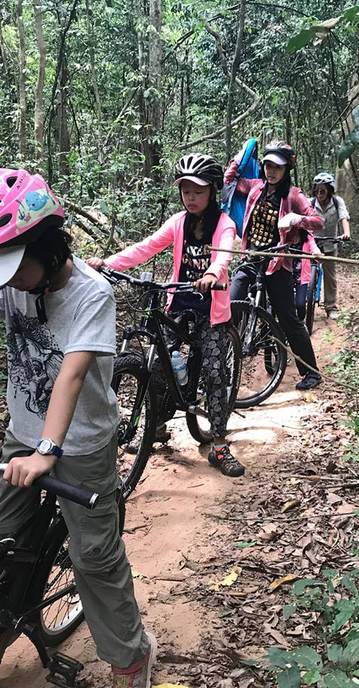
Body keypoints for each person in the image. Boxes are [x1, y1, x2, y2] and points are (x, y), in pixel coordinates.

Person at [0, 168, 155, 687]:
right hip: (22, 429)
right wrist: (33, 442)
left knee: (94, 557)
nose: (11, 282)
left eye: (17, 266)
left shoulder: (92, 294)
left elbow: (70, 374)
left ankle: (131, 656)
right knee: (4, 538)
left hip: (81, 441)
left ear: (50, 248)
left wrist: (48, 449)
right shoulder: (12, 281)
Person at [87, 153, 245, 478]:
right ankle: (156, 425)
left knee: (215, 372)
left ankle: (217, 442)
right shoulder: (177, 222)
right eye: (186, 190)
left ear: (213, 191)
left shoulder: (223, 224)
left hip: (211, 310)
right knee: (158, 362)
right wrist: (109, 263)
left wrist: (214, 273)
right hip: (180, 302)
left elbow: (225, 252)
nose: (191, 197)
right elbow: (146, 247)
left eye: (198, 191)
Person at [225, 141, 324, 391]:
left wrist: (297, 219)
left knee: (288, 318)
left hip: (277, 263)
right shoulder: (256, 188)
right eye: (268, 165)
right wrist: (239, 157)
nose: (271, 171)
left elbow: (317, 221)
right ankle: (221, 365)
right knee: (231, 306)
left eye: (277, 167)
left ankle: (311, 373)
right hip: (251, 259)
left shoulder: (293, 195)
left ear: (286, 169)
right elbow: (231, 179)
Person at [310, 172, 351, 319]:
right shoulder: (310, 203)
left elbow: (343, 217)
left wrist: (346, 233)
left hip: (330, 243)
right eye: (317, 190)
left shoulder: (337, 201)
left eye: (323, 190)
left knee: (330, 276)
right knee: (304, 274)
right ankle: (303, 303)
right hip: (311, 244)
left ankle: (331, 306)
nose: (319, 193)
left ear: (329, 190)